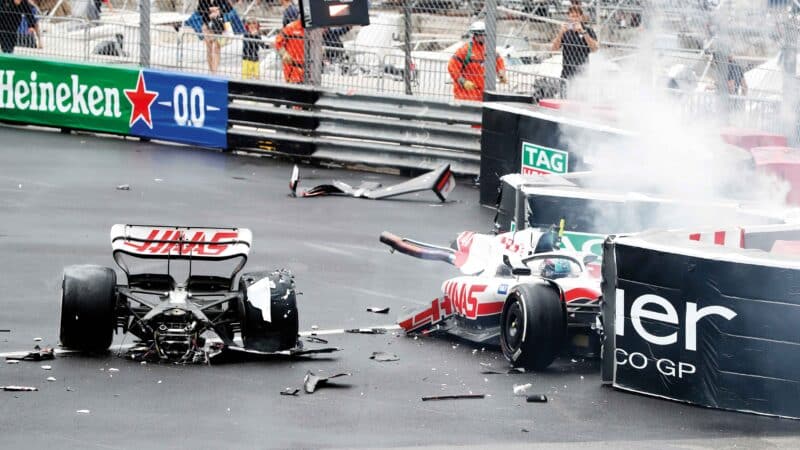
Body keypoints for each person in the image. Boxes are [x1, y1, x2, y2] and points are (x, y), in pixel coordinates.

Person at [447, 21, 507, 101]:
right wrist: (463, 82)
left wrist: (501, 74)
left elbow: (499, 61)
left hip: (482, 95)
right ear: (474, 35)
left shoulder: (490, 50)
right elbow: (452, 67)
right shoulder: (465, 50)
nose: (482, 36)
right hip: (465, 94)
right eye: (479, 34)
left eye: (483, 34)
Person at [551, 5, 598, 80]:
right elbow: (553, 49)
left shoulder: (588, 30)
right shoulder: (565, 31)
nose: (575, 19)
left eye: (577, 16)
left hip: (582, 72)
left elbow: (595, 49)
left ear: (581, 17)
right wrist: (561, 33)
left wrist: (583, 32)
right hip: (566, 72)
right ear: (569, 17)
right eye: (572, 16)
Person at [197, 0, 232, 73]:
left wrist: (218, 11)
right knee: (209, 48)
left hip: (219, 25)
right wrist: (210, 10)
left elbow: (229, 8)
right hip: (207, 25)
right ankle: (211, 70)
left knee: (216, 48)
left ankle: (215, 72)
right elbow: (199, 10)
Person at [275, 18, 304, 83]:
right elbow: (278, 42)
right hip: (292, 66)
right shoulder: (291, 27)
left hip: (308, 65)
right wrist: (284, 53)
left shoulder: (314, 29)